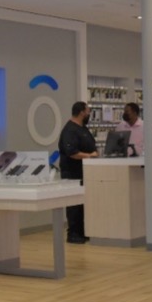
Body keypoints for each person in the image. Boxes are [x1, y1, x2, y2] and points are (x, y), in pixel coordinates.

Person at [58, 101, 99, 243]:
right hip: (72, 173)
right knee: (74, 204)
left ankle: (82, 231)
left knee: (82, 203)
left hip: (84, 172)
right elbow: (72, 152)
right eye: (88, 111)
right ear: (81, 112)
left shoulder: (83, 128)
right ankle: (73, 233)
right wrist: (90, 156)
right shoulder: (70, 130)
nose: (89, 114)